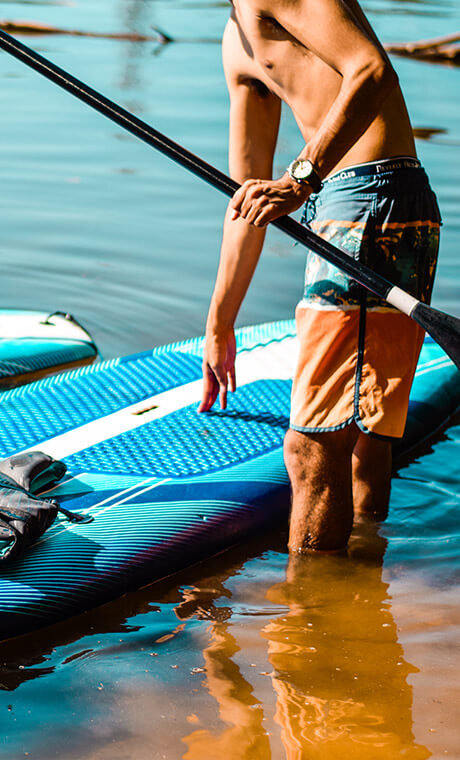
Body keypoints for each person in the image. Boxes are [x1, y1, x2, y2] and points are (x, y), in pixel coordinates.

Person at [198, 0, 441, 552]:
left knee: (311, 447)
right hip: (364, 200)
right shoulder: (236, 41)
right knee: (362, 433)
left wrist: (300, 179)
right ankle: (359, 587)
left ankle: (307, 622)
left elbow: (373, 69)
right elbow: (248, 198)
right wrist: (220, 319)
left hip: (369, 198)